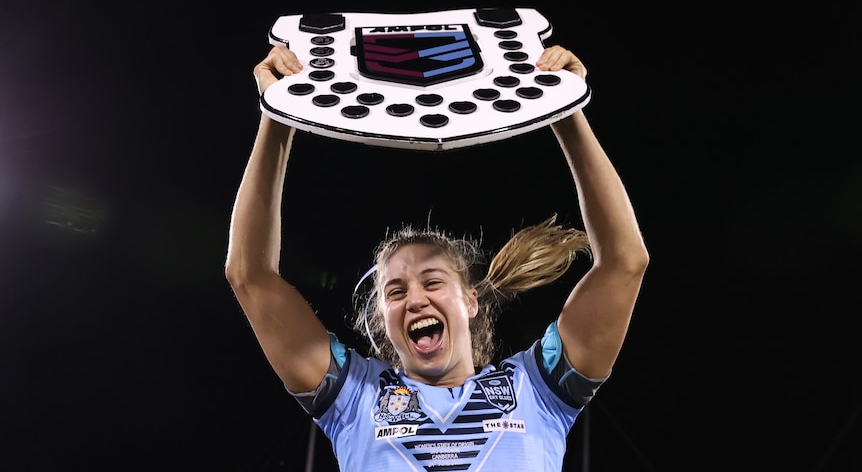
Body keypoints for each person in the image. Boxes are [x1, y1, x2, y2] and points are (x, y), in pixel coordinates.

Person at [225, 43, 649, 470]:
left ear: (470, 300)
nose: (414, 299)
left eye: (432, 281)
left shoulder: (538, 390)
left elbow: (624, 261)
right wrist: (276, 115)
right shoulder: (354, 398)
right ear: (382, 320)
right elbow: (250, 276)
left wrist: (567, 110)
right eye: (395, 291)